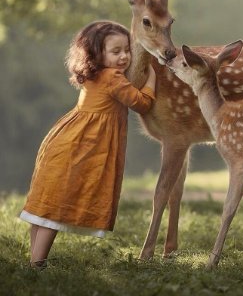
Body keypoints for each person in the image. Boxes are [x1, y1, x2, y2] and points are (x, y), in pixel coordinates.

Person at [20, 20, 156, 269]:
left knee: (46, 203)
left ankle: (34, 260)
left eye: (127, 50)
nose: (124, 56)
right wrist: (151, 81)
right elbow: (141, 103)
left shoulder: (94, 74)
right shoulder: (113, 77)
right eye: (116, 52)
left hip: (63, 139)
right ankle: (37, 265)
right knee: (56, 208)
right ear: (97, 53)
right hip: (83, 145)